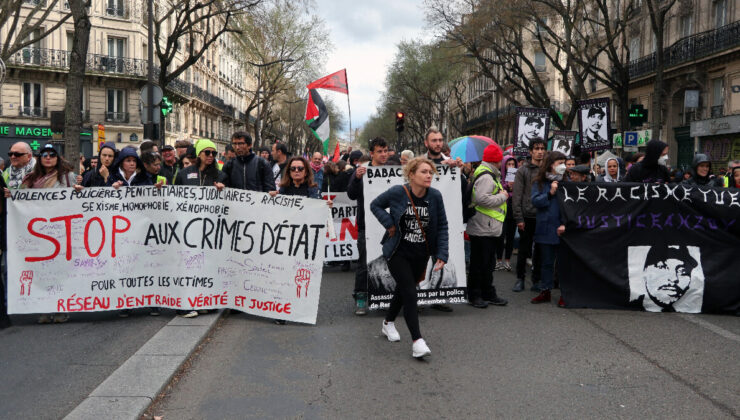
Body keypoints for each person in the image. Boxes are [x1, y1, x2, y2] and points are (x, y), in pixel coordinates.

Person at [370, 157, 448, 359]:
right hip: (397, 252)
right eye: (424, 172)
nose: (429, 175)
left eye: (431, 172)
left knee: (403, 290)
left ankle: (388, 323)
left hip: (421, 254)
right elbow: (375, 205)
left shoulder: (435, 196)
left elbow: (442, 227)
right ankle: (417, 341)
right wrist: (388, 223)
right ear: (411, 174)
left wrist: (442, 254)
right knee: (410, 292)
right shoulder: (398, 192)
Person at [12, 144, 80, 323]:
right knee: (41, 273)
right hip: (38, 234)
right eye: (44, 155)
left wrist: (80, 192)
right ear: (39, 158)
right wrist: (10, 196)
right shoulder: (31, 179)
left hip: (61, 233)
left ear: (58, 158)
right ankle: (43, 308)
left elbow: (78, 201)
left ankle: (60, 308)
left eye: (52, 154)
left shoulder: (67, 177)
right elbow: (20, 201)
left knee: (59, 272)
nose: (48, 157)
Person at [347, 137, 389, 315]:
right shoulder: (362, 171)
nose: (384, 154)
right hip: (367, 226)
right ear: (371, 153)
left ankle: (388, 296)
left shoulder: (394, 170)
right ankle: (361, 298)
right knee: (365, 263)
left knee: (392, 262)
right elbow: (351, 194)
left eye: (386, 150)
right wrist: (356, 178)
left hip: (390, 225)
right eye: (380, 151)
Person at [466, 144, 509, 308]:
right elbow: (482, 199)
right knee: (480, 263)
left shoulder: (488, 174)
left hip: (486, 226)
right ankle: (476, 294)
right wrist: (502, 197)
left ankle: (486, 292)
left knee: (487, 262)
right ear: (496, 160)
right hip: (483, 226)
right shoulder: (486, 176)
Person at [530, 151, 567, 307]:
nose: (563, 166)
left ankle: (565, 294)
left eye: (564, 163)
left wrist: (565, 223)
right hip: (545, 228)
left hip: (563, 229)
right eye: (560, 163)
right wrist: (550, 193)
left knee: (563, 263)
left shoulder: (567, 182)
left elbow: (571, 205)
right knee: (546, 262)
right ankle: (545, 290)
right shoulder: (539, 182)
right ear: (551, 165)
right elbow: (535, 201)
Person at [512, 138, 546, 292]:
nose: (540, 151)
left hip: (542, 216)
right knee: (524, 250)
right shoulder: (522, 170)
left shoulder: (546, 170)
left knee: (539, 249)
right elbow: (517, 195)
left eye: (542, 148)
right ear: (531, 151)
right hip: (526, 216)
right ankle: (520, 279)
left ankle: (536, 279)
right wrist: (519, 217)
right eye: (537, 148)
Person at [495, 155, 518, 272]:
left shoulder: (518, 178)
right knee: (500, 236)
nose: (511, 167)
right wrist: (507, 187)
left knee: (510, 236)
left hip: (513, 210)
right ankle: (498, 260)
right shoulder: (498, 177)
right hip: (502, 211)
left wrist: (514, 187)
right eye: (509, 164)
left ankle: (507, 261)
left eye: (513, 164)